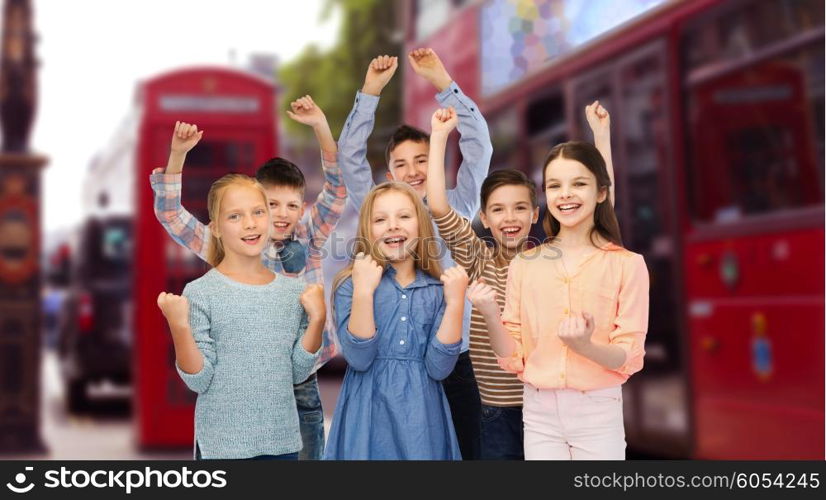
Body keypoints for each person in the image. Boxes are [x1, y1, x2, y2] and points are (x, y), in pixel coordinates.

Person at [149, 96, 346, 459]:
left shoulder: (309, 236)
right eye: (266, 206)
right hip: (233, 395)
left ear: (301, 208)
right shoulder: (222, 246)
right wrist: (177, 155)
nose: (277, 216)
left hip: (299, 383)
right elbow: (172, 214)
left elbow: (336, 192)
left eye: (291, 206)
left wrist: (320, 126)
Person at [428, 102, 616, 459]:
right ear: (484, 217)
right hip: (493, 412)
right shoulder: (476, 257)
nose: (509, 217)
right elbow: (438, 206)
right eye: (498, 209)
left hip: (546, 407)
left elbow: (601, 213)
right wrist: (439, 137)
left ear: (534, 214)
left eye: (519, 208)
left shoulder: (550, 260)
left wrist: (601, 137)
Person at [336, 48, 491, 459]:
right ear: (389, 177)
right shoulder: (378, 208)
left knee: (467, 452)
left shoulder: (456, 205)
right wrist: (370, 92)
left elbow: (479, 148)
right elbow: (349, 158)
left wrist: (443, 82)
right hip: (387, 362)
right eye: (402, 165)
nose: (414, 171)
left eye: (423, 159)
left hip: (452, 359)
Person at [469, 125, 648, 460]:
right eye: (554, 186)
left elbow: (629, 354)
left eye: (578, 184)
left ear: (601, 192)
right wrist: (491, 314)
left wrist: (586, 347)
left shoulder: (627, 265)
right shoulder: (526, 264)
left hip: (597, 410)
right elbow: (513, 355)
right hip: (538, 413)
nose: (565, 194)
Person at [156, 173, 325, 459]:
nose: (250, 223)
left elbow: (297, 372)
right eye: (235, 216)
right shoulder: (200, 292)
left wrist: (318, 320)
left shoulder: (293, 292)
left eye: (258, 212)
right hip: (221, 448)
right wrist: (179, 326)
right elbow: (199, 380)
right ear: (216, 229)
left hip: (282, 445)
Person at [324, 182, 469, 460]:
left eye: (403, 216)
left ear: (421, 224)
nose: (393, 226)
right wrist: (364, 292)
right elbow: (359, 358)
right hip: (367, 413)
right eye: (380, 219)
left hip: (421, 419)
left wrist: (455, 304)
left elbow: (439, 368)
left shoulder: (438, 290)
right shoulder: (351, 284)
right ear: (368, 229)